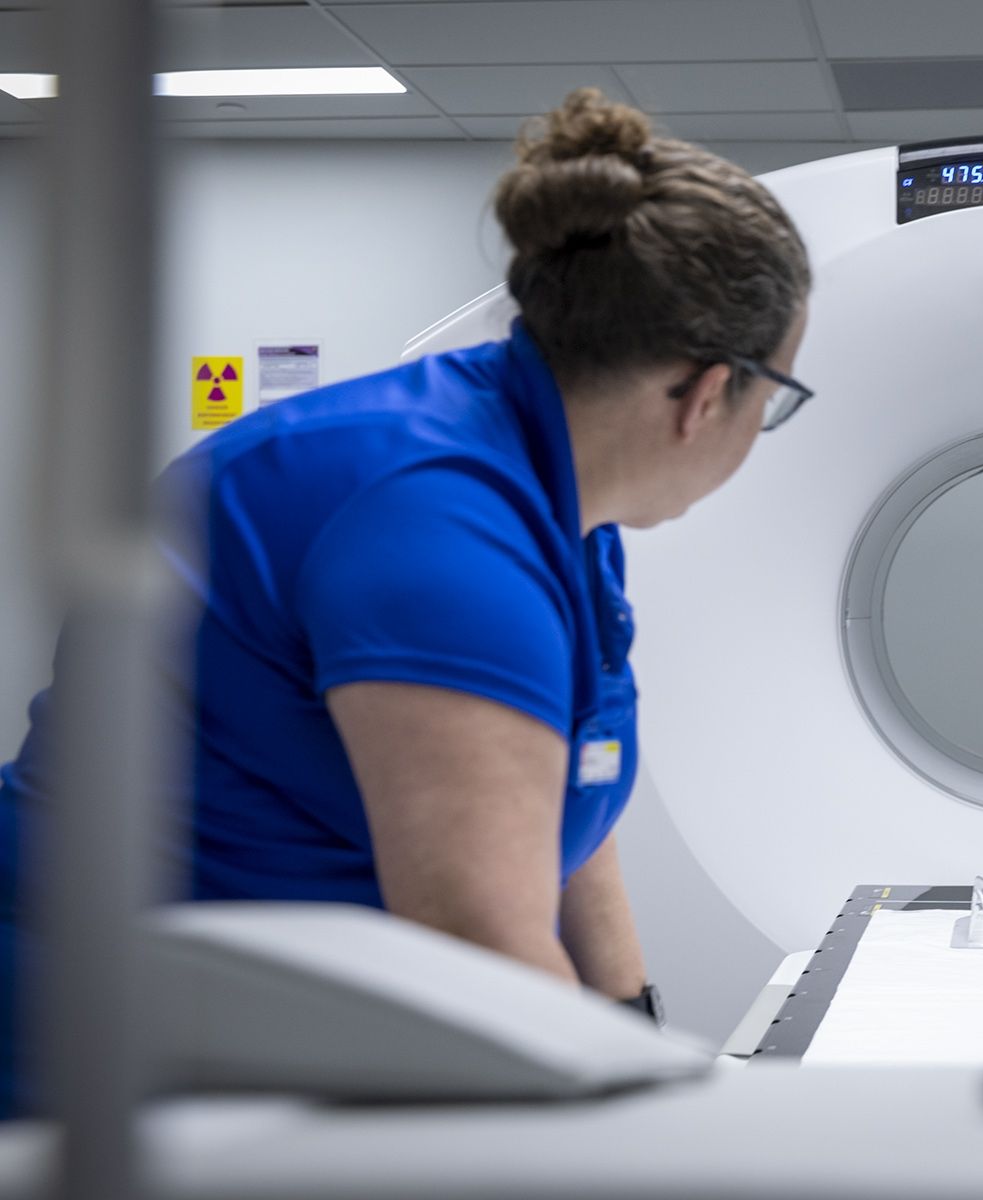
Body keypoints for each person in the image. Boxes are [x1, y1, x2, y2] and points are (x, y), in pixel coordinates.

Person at [0, 87, 812, 1115]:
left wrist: (633, 1027)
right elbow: (480, 948)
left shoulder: (554, 485)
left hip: (265, 1022)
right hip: (109, 1057)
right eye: (776, 397)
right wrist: (630, 1134)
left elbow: (563, 790)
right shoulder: (432, 522)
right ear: (706, 395)